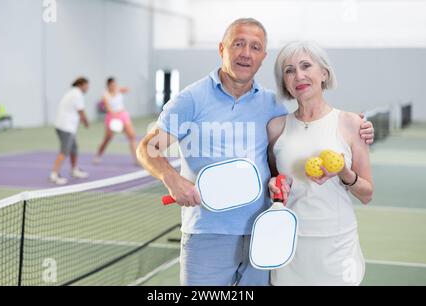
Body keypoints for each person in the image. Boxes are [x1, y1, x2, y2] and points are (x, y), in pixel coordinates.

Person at [137, 18, 374, 286]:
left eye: (255, 47)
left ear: (262, 57)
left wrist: (357, 126)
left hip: (264, 232)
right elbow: (149, 148)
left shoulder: (272, 105)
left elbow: (307, 127)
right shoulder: (191, 100)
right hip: (208, 233)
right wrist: (172, 179)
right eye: (238, 44)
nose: (245, 53)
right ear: (221, 49)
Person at [267, 41, 374, 285]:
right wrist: (274, 185)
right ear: (284, 81)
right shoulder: (275, 128)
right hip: (289, 244)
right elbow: (275, 183)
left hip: (337, 245)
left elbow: (367, 194)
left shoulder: (352, 123)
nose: (299, 76)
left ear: (323, 73)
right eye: (289, 70)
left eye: (306, 66)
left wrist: (345, 173)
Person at [49, 77, 90, 185]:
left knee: (74, 149)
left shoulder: (72, 93)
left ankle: (74, 170)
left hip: (66, 126)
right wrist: (86, 122)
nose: (88, 88)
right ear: (81, 85)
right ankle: (54, 175)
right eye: (86, 85)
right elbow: (81, 111)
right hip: (65, 127)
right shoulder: (77, 94)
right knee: (64, 151)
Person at [93, 77, 137, 164]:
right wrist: (114, 115)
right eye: (112, 85)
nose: (114, 86)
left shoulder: (118, 90)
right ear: (108, 86)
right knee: (107, 139)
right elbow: (108, 108)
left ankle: (136, 159)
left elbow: (126, 90)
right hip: (112, 118)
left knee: (132, 136)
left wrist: (125, 89)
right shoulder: (105, 95)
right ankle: (98, 155)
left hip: (123, 115)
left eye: (115, 85)